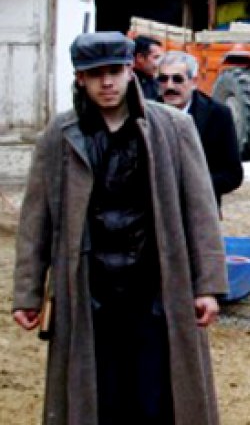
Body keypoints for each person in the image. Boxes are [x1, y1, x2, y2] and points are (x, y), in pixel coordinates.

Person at [12, 32, 227, 425]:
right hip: (89, 289)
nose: (106, 83)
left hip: (157, 287)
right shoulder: (59, 137)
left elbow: (201, 212)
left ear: (131, 71)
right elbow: (35, 221)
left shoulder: (174, 129)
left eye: (115, 72)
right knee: (97, 396)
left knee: (157, 395)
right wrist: (27, 293)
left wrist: (208, 285)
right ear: (80, 79)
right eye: (95, 75)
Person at [158, 51, 243, 210]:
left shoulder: (218, 115)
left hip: (200, 211)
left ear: (194, 81)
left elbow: (233, 175)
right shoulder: (146, 113)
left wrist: (193, 186)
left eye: (177, 79)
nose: (169, 86)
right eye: (163, 79)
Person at [132, 35, 164, 101]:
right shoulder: (127, 83)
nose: (160, 62)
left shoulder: (156, 82)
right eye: (156, 57)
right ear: (140, 58)